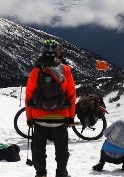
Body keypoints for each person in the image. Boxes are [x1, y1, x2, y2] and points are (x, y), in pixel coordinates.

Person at [25, 39, 77, 177]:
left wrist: (29, 117)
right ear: (57, 53)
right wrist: (71, 117)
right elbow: (71, 95)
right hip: (60, 118)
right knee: (61, 149)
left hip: (39, 117)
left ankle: (41, 173)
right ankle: (61, 173)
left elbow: (29, 96)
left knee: (38, 149)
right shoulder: (65, 70)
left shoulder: (36, 71)